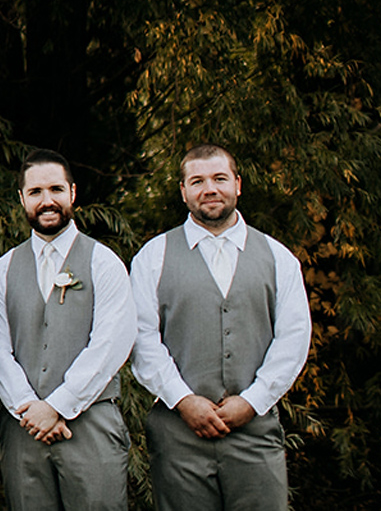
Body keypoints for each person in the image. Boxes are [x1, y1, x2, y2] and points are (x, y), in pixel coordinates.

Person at [130, 145, 312, 511]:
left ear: (238, 185)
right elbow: (141, 338)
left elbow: (293, 338)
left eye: (219, 179)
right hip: (178, 435)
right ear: (183, 191)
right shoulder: (153, 256)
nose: (209, 189)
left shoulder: (278, 257)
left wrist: (253, 400)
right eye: (197, 181)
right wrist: (183, 400)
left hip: (255, 432)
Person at [0, 152, 133, 511]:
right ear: (22, 199)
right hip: (24, 430)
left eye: (56, 189)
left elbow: (111, 344)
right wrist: (30, 409)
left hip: (92, 425)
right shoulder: (0, 270)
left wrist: (58, 406)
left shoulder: (104, 262)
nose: (47, 200)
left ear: (73, 193)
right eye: (35, 191)